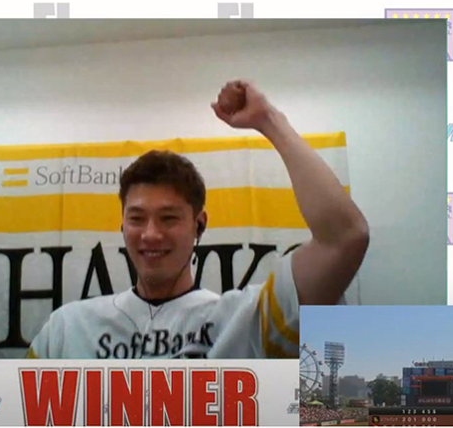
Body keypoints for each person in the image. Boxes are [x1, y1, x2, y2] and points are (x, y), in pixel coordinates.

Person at [26, 80, 369, 359]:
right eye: (137, 218)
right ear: (122, 227)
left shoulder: (242, 323)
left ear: (199, 225)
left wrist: (268, 120)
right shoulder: (67, 329)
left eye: (168, 218)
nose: (150, 234)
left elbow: (345, 238)